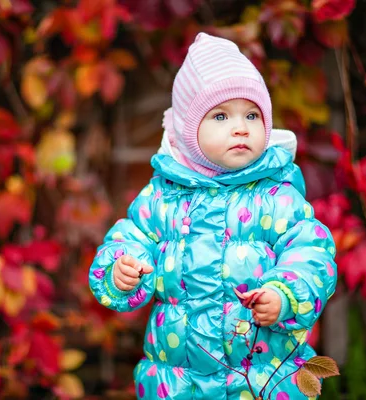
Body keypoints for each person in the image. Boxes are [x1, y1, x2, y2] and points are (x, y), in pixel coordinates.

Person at [89, 32, 337, 400]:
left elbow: (313, 253)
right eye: (220, 115)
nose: (240, 127)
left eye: (252, 114)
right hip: (179, 378)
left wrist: (284, 293)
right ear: (189, 131)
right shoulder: (161, 199)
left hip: (261, 374)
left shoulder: (276, 197)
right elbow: (129, 239)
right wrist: (123, 270)